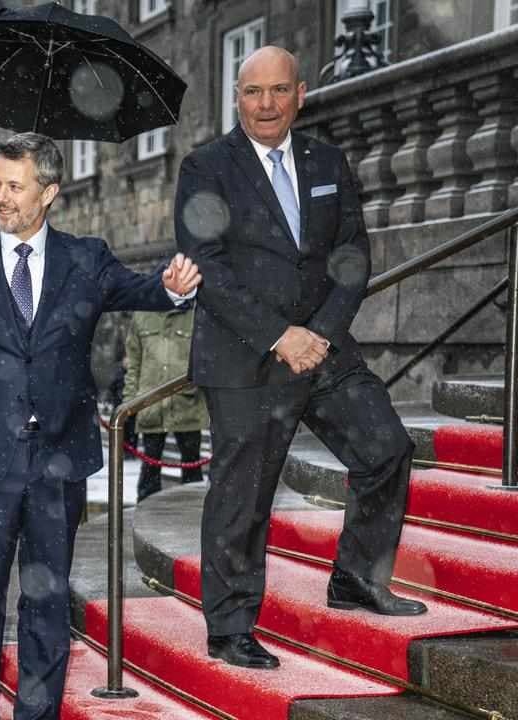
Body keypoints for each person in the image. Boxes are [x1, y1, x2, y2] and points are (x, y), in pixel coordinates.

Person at [0, 132, 201, 720]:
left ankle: (36, 714)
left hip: (58, 463)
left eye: (14, 186)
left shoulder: (86, 258)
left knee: (46, 600)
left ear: (49, 193)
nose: (0, 196)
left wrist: (172, 289)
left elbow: (142, 290)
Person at [174, 45, 425, 671]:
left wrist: (321, 332)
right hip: (246, 357)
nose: (266, 104)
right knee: (244, 496)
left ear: (301, 93)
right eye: (254, 92)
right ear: (237, 97)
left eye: (279, 91)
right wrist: (280, 336)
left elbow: (353, 252)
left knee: (386, 448)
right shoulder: (206, 167)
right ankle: (229, 626)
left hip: (324, 347)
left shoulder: (327, 160)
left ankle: (357, 578)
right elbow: (209, 265)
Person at [122, 304, 208, 502]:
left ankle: (193, 514)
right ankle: (145, 513)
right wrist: (129, 403)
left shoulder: (195, 314)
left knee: (192, 466)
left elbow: (205, 357)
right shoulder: (142, 314)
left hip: (187, 403)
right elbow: (134, 363)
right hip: (150, 403)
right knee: (150, 467)